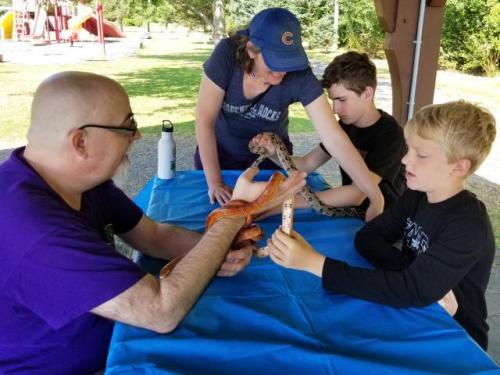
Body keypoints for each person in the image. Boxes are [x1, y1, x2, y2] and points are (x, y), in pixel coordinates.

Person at [0, 71, 306, 374]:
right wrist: (236, 213)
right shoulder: (32, 228)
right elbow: (161, 311)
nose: (138, 136)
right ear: (80, 142)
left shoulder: (76, 182)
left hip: (113, 341)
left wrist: (224, 247)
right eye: (127, 127)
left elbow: (153, 237)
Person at [267, 100, 496, 350]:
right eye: (408, 149)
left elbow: (411, 290)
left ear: (459, 166)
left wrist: (314, 263)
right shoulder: (417, 195)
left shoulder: (468, 226)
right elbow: (368, 238)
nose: (405, 160)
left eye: (421, 155)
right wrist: (410, 275)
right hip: (417, 313)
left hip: (457, 337)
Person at [194, 7, 384, 222]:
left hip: (270, 159)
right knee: (215, 220)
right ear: (251, 50)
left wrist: (375, 195)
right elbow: (204, 120)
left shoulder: (300, 74)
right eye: (275, 60)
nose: (282, 70)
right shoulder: (227, 55)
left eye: (288, 60)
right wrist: (216, 182)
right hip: (219, 154)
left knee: (268, 223)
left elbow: (334, 138)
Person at [252, 51, 406, 215]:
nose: (335, 109)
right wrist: (273, 153)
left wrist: (285, 203)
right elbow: (306, 163)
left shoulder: (390, 135)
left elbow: (357, 194)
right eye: (333, 100)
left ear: (367, 94)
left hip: (387, 223)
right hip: (355, 215)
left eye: (342, 100)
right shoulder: (345, 126)